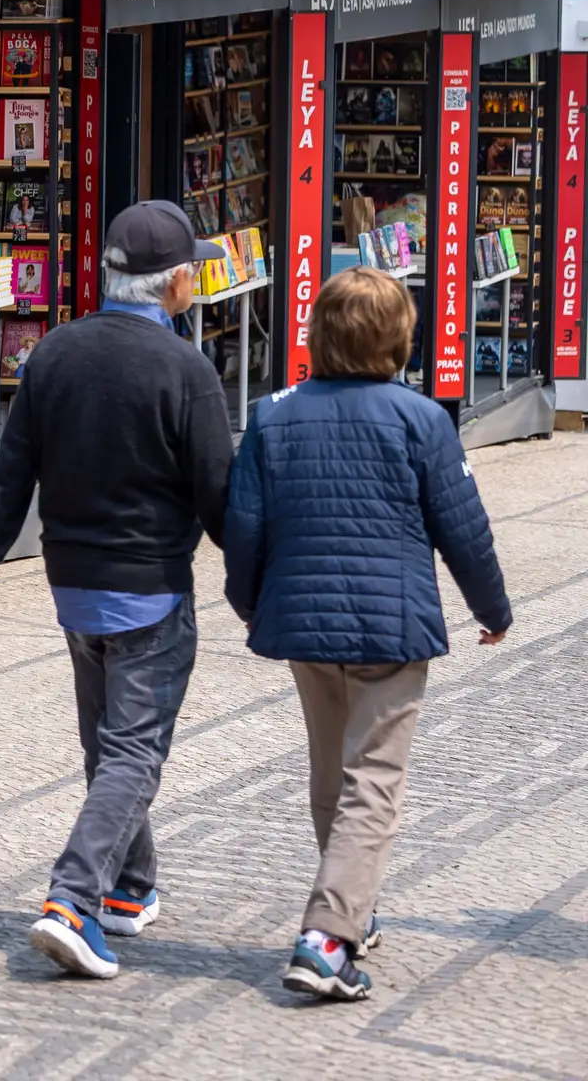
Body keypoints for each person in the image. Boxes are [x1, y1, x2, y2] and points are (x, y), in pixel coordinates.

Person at [0, 201, 232, 980]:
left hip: (73, 588)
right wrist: (256, 585)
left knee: (108, 745)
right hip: (151, 593)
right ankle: (73, 900)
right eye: (193, 270)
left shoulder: (54, 354)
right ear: (174, 282)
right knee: (132, 754)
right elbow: (220, 499)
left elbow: (11, 474)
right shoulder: (187, 371)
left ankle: (128, 888)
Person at [223, 268, 511, 1002]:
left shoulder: (272, 416)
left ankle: (353, 908)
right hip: (392, 624)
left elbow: (244, 527)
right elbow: (463, 527)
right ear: (398, 336)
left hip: (303, 622)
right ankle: (327, 939)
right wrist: (492, 609)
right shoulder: (422, 418)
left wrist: (249, 603)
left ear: (318, 333)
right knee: (373, 780)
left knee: (331, 773)